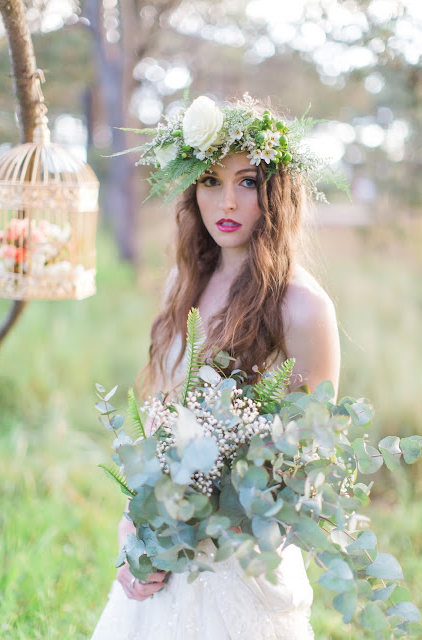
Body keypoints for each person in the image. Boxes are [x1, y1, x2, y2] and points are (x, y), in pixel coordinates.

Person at [91, 95, 341, 640]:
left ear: (276, 193)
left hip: (237, 564)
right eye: (209, 180)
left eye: (248, 181)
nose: (227, 200)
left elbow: (310, 462)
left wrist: (209, 514)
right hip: (164, 552)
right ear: (191, 190)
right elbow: (158, 424)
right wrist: (138, 530)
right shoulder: (183, 285)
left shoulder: (304, 307)